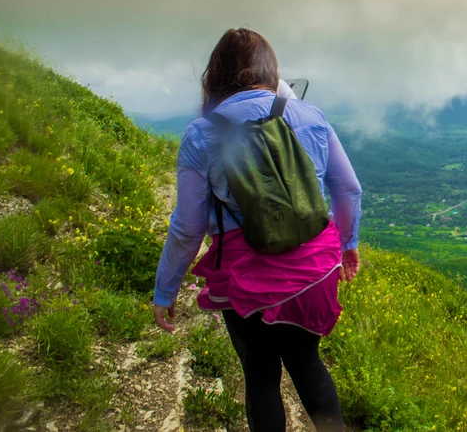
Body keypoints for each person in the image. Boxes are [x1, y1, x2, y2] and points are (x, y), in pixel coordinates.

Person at [152, 28, 362, 432]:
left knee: (261, 376)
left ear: (215, 75)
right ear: (270, 70)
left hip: (245, 278)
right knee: (306, 361)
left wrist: (166, 289)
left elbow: (188, 227)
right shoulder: (309, 115)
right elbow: (348, 188)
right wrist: (348, 245)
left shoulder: (202, 134)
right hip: (313, 269)